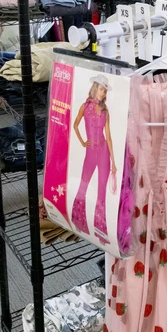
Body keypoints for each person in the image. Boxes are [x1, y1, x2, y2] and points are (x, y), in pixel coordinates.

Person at [71, 74, 116, 238]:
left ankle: (100, 229)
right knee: (83, 185)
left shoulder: (106, 110)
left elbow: (109, 136)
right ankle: (79, 221)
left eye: (105, 91)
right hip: (90, 152)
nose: (104, 94)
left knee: (102, 190)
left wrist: (114, 162)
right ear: (96, 88)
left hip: (104, 152)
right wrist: (83, 141)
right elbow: (75, 124)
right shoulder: (84, 106)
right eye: (102, 90)